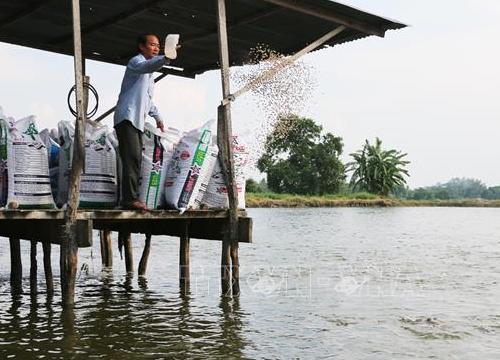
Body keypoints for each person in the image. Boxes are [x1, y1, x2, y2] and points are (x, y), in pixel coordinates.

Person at [114, 34, 173, 210]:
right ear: (141, 46)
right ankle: (129, 200)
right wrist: (166, 57)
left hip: (136, 121)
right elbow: (147, 66)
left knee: (135, 158)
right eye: (152, 45)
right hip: (127, 118)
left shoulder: (149, 74)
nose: (156, 48)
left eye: (158, 46)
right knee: (132, 158)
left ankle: (130, 198)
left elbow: (148, 101)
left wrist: (158, 118)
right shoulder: (136, 63)